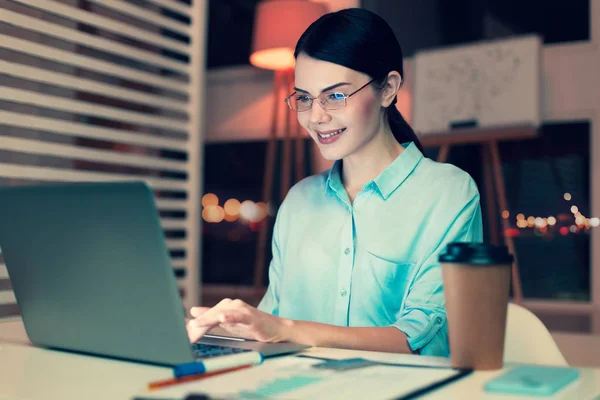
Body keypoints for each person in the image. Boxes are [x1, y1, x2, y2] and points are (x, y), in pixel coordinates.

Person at [187, 8, 482, 357]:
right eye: (305, 98)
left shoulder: (447, 192)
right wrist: (227, 325)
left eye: (336, 95)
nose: (316, 116)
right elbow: (274, 319)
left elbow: (416, 337)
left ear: (388, 89)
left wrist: (287, 329)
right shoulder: (299, 201)